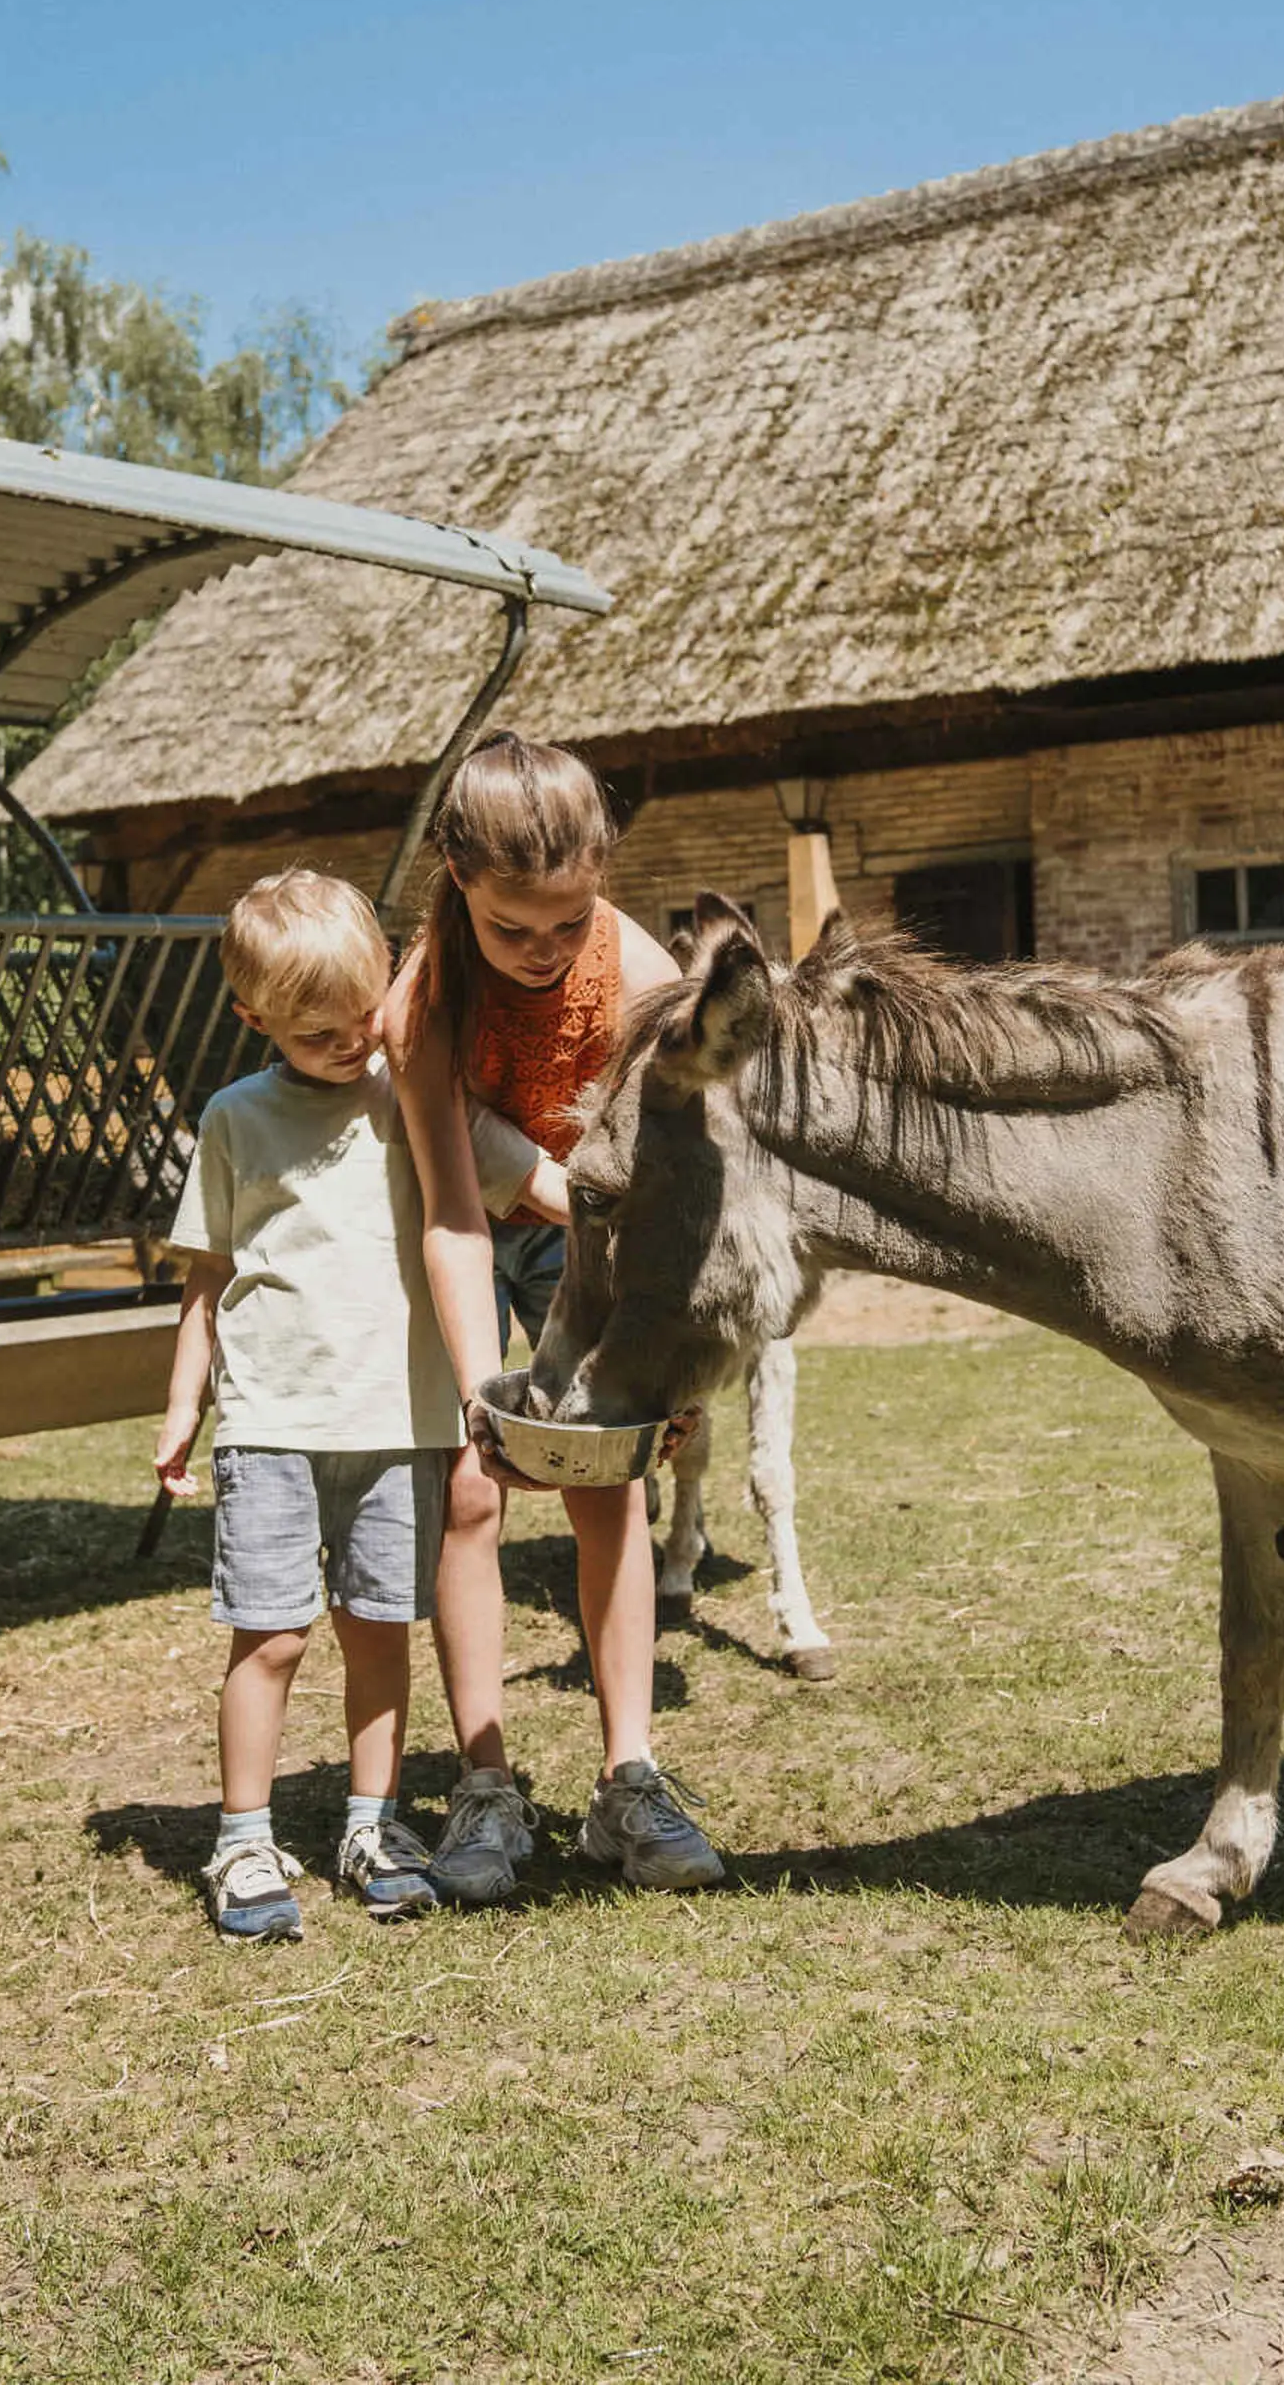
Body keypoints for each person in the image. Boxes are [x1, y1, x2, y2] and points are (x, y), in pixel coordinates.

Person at [155, 869, 560, 1942]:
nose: (351, 1044)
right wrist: (182, 1408)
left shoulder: (413, 1093)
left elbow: (527, 1175)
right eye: (317, 1033)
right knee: (272, 1636)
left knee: (381, 1626)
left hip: (400, 1425)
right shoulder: (234, 1119)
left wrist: (628, 1207)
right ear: (255, 1021)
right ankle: (243, 1834)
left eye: (362, 1018)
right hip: (276, 1424)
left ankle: (371, 1823)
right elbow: (207, 1280)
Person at [387, 732, 729, 1898]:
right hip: (471, 1225)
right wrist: (488, 1391)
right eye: (510, 929)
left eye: (565, 925)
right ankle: (484, 1782)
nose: (540, 953)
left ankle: (628, 1777)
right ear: (456, 878)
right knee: (472, 1488)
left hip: (598, 1229)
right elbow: (448, 1210)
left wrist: (670, 1372)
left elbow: (672, 1197)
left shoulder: (638, 975)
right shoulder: (422, 1006)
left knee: (608, 1472)